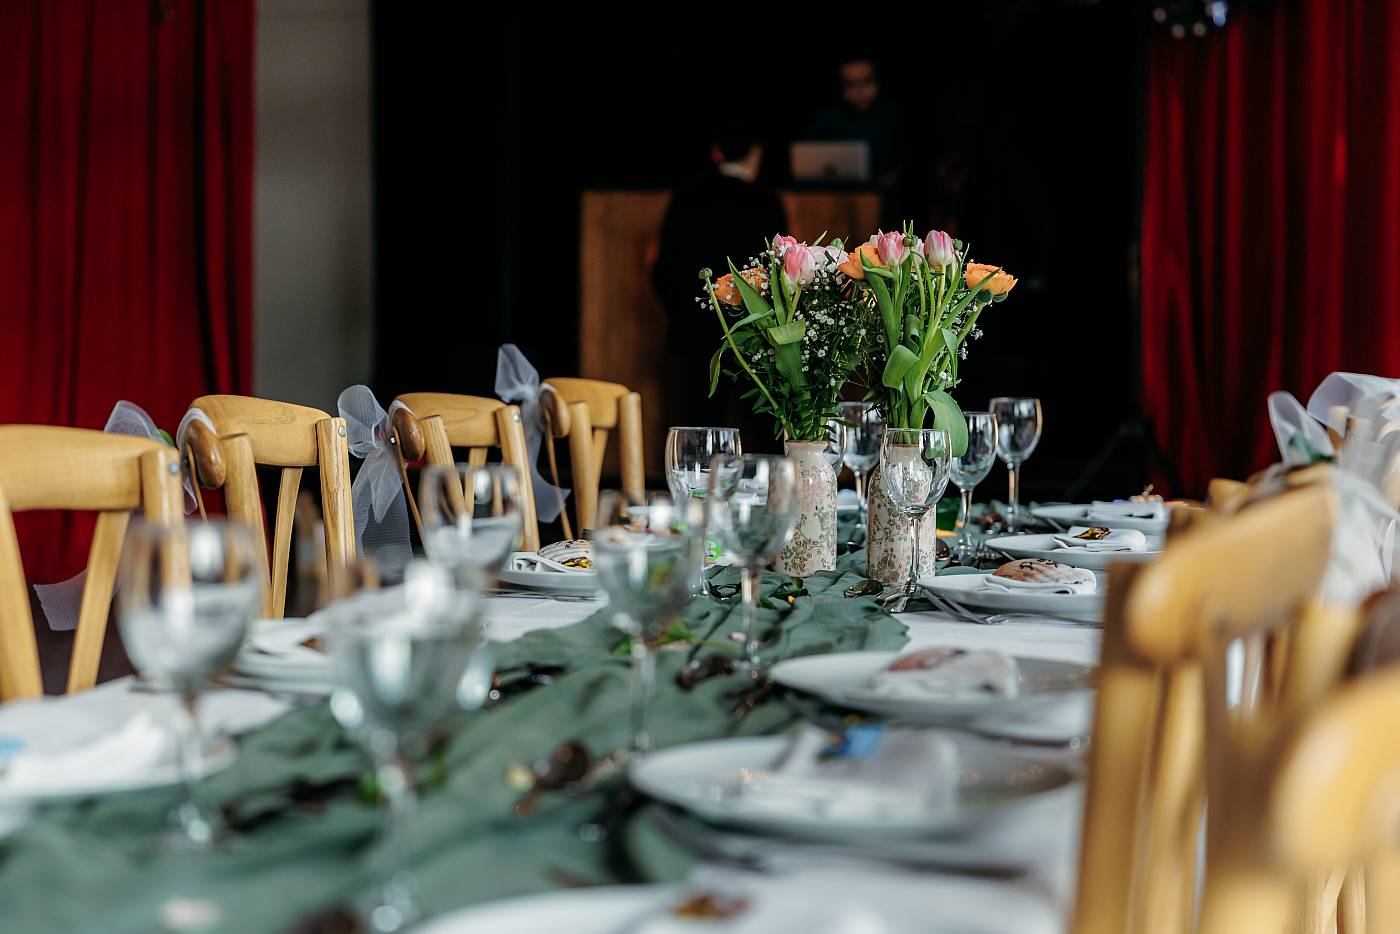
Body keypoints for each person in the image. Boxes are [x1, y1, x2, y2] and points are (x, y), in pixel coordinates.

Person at [652, 133, 787, 442]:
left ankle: (698, 488)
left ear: (715, 153)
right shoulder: (767, 202)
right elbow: (778, 271)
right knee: (764, 428)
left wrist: (683, 313)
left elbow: (664, 272)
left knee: (700, 425)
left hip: (695, 331)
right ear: (756, 152)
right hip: (756, 333)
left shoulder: (686, 199)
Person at [805, 54, 903, 187]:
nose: (858, 90)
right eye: (850, 84)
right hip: (840, 192)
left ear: (878, 81)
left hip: (886, 193)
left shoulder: (894, 114)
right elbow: (809, 158)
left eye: (865, 81)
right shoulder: (828, 117)